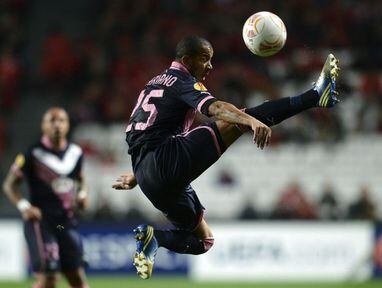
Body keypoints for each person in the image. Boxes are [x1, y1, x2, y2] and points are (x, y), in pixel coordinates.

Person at [112, 35, 340, 279]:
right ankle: (316, 96)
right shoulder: (182, 81)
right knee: (239, 118)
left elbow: (146, 134)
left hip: (149, 177)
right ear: (187, 60)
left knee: (204, 241)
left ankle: (153, 237)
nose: (210, 66)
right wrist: (250, 121)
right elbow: (216, 109)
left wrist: (140, 174)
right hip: (166, 160)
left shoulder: (153, 83)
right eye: (204, 59)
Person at [2, 108, 89, 288]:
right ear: (43, 126)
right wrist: (24, 206)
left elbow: (81, 180)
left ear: (67, 125)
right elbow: (9, 185)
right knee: (49, 279)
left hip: (65, 222)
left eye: (61, 120)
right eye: (52, 120)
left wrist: (82, 194)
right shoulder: (33, 154)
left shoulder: (75, 153)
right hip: (41, 223)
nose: (57, 125)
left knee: (77, 278)